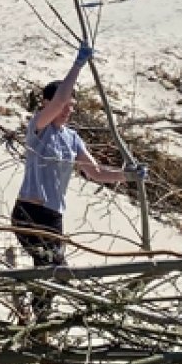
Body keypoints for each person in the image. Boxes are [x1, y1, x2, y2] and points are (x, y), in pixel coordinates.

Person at [11, 45, 146, 317]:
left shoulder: (72, 138)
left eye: (71, 106)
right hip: (29, 211)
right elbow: (59, 101)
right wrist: (78, 65)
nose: (68, 110)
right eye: (64, 105)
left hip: (53, 217)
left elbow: (96, 173)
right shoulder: (39, 127)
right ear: (46, 105)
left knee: (51, 270)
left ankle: (38, 319)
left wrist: (128, 175)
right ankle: (39, 318)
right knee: (52, 264)